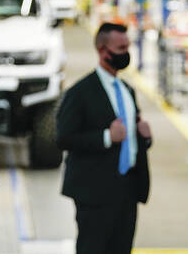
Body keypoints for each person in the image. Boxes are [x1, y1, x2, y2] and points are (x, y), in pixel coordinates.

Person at [55, 22, 152, 254]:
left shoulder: (127, 91)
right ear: (102, 50)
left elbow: (131, 140)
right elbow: (64, 138)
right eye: (120, 48)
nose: (126, 53)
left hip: (127, 190)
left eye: (127, 47)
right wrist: (106, 137)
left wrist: (145, 137)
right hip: (94, 192)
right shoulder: (80, 93)